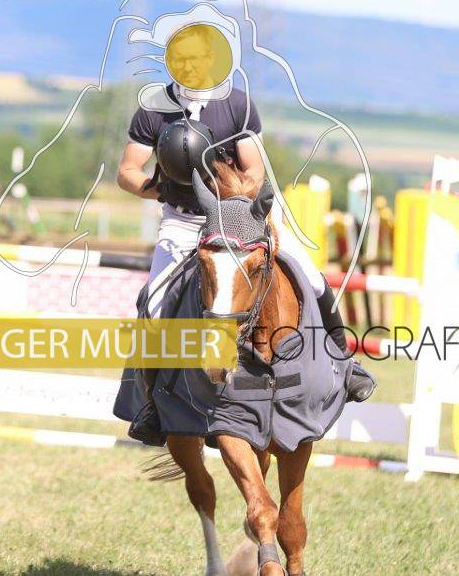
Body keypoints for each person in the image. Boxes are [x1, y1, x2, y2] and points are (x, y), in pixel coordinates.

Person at [116, 31, 375, 445]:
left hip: (241, 214)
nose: (191, 68)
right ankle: (151, 402)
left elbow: (253, 171)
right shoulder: (152, 110)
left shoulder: (237, 105)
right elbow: (127, 172)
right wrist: (159, 188)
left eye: (199, 60)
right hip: (183, 219)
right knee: (154, 300)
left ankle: (346, 364)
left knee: (312, 278)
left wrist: (227, 200)